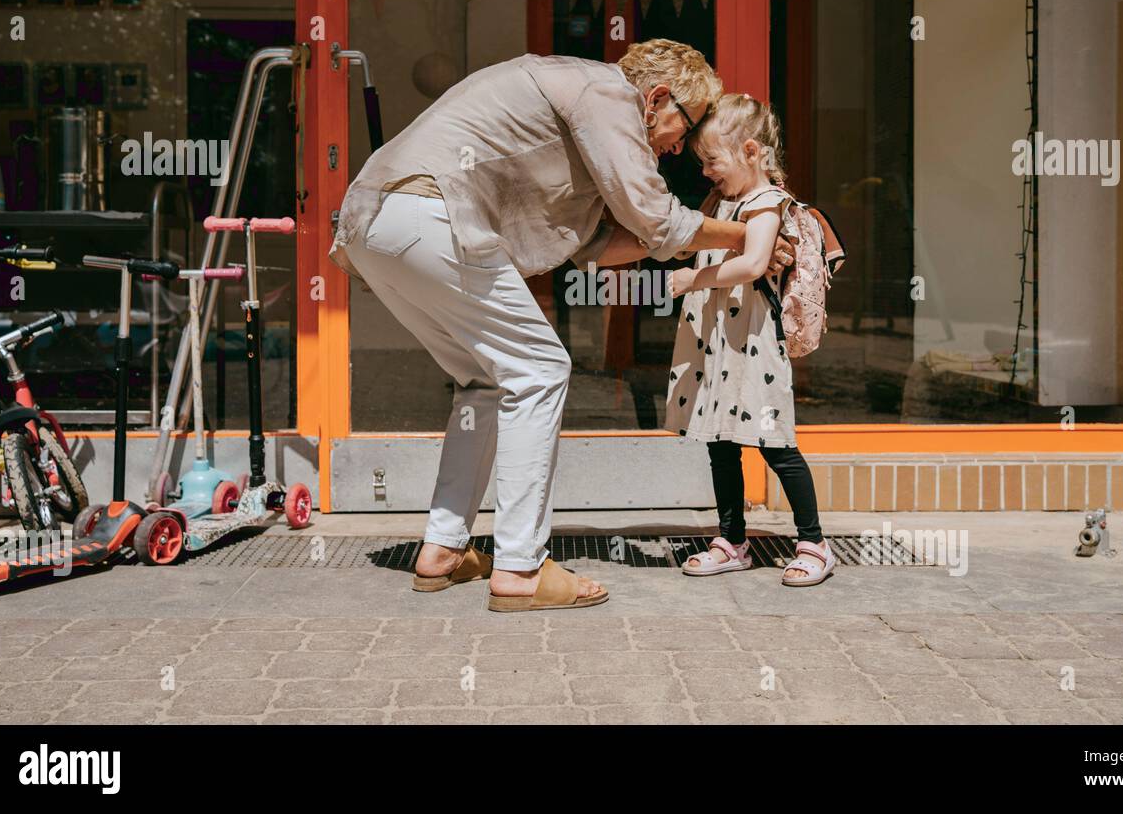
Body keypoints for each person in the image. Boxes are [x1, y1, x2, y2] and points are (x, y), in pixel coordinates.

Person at [330, 41, 796, 612]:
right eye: (684, 127)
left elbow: (601, 244)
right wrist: (749, 233)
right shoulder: (607, 94)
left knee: (485, 383)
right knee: (541, 368)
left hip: (376, 224)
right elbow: (656, 217)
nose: (678, 148)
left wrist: (699, 241)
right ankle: (522, 568)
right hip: (430, 213)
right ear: (655, 98)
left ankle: (444, 551)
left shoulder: (585, 116)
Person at [665, 94, 836, 587]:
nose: (707, 172)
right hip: (720, 342)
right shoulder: (723, 203)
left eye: (713, 161)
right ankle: (732, 539)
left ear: (751, 151)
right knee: (720, 441)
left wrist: (691, 281)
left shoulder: (765, 203)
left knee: (775, 443)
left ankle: (814, 542)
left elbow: (755, 263)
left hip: (754, 342)